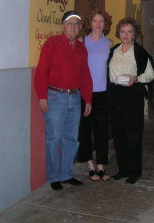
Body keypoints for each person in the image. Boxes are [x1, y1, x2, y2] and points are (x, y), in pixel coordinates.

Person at [34, 10, 93, 191]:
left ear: (80, 27)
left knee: (71, 139)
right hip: (56, 97)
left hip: (74, 98)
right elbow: (41, 71)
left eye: (77, 24)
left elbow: (85, 75)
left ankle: (66, 174)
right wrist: (42, 96)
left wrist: (87, 99)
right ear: (63, 26)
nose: (74, 27)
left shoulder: (82, 48)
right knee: (54, 138)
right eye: (70, 23)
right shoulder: (52, 43)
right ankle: (54, 177)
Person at [108, 17, 154, 184]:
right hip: (116, 96)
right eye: (122, 31)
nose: (126, 34)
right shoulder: (113, 51)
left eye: (129, 31)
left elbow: (150, 75)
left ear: (134, 34)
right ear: (118, 33)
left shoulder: (140, 52)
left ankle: (135, 172)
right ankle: (122, 170)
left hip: (133, 96)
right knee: (119, 134)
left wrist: (135, 78)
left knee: (133, 135)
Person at [77, 9, 113, 181]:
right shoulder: (81, 41)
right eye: (95, 21)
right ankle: (89, 164)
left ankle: (101, 165)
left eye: (102, 21)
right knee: (85, 129)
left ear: (105, 25)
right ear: (89, 23)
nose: (98, 24)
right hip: (85, 92)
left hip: (103, 92)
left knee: (102, 130)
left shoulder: (109, 43)